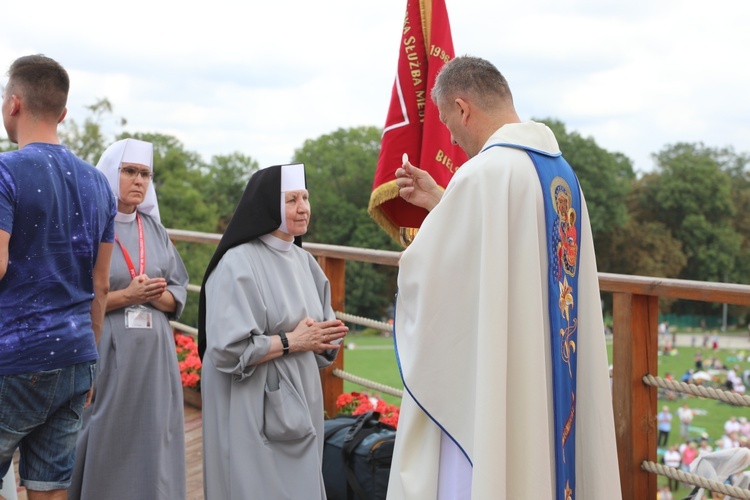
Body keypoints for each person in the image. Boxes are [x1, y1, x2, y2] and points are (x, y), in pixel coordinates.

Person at [386, 55, 621, 499]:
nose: (452, 139)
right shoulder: (561, 172)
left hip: (508, 367)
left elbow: (431, 271)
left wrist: (430, 232)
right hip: (553, 365)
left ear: (463, 108)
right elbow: (502, 251)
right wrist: (443, 199)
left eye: (446, 122)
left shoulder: (484, 172)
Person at [0, 54, 116, 498]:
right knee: (49, 489)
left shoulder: (5, 172)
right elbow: (101, 284)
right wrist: (89, 356)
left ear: (13, 104)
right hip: (76, 357)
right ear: (63, 113)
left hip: (13, 358)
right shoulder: (98, 184)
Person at [198, 163, 349, 499]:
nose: (303, 208)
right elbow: (226, 350)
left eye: (306, 198)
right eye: (292, 199)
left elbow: (319, 335)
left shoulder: (305, 261)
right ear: (268, 205)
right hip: (250, 403)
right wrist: (292, 341)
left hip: (302, 398)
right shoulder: (238, 263)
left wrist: (327, 337)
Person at [68, 139, 189, 499]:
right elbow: (76, 299)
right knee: (103, 432)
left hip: (154, 357)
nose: (138, 181)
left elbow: (177, 292)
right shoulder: (89, 228)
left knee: (156, 436)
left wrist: (158, 295)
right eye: (130, 171)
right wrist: (128, 297)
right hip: (107, 349)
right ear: (111, 173)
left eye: (145, 174)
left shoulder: (155, 230)